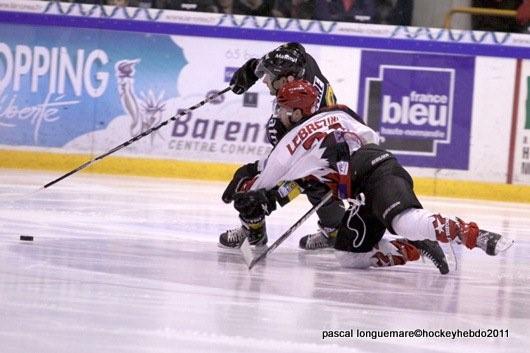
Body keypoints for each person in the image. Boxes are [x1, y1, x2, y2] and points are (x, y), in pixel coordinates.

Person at [231, 80, 513, 272]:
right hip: (372, 170)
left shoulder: (289, 145)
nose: (277, 113)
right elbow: (368, 137)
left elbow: (263, 183)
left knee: (405, 221)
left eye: (281, 107)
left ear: (296, 111)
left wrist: (250, 194)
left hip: (373, 173)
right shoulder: (338, 111)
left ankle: (474, 236)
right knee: (349, 255)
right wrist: (336, 172)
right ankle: (412, 247)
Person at [220, 42, 345, 251]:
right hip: (314, 147)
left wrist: (270, 198)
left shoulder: (307, 117)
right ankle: (257, 228)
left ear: (288, 80)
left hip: (320, 155)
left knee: (315, 184)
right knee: (255, 174)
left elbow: (298, 174)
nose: (265, 81)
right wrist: (253, 68)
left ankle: (255, 229)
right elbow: (294, 49)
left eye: (269, 77)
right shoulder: (302, 68)